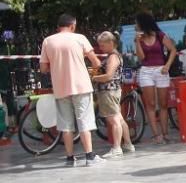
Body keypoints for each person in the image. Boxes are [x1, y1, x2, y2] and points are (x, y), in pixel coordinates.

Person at [38, 14, 104, 166]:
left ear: (58, 26)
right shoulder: (80, 38)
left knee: (65, 124)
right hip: (81, 86)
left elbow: (43, 68)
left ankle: (69, 158)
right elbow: (95, 62)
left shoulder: (48, 41)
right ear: (73, 26)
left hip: (60, 87)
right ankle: (89, 156)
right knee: (84, 121)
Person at [135, 12, 178, 144]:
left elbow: (173, 50)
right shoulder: (139, 38)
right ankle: (155, 134)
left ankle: (165, 133)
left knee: (163, 103)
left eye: (137, 23)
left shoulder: (160, 35)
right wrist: (137, 41)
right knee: (151, 104)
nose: (136, 26)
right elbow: (141, 57)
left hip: (161, 69)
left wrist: (167, 65)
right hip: (146, 70)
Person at [91, 31, 134, 158]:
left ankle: (116, 147)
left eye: (102, 45)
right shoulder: (114, 55)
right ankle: (128, 144)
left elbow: (109, 76)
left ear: (111, 43)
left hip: (108, 91)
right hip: (113, 90)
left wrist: (94, 78)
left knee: (113, 119)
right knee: (119, 118)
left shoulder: (113, 57)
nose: (100, 48)